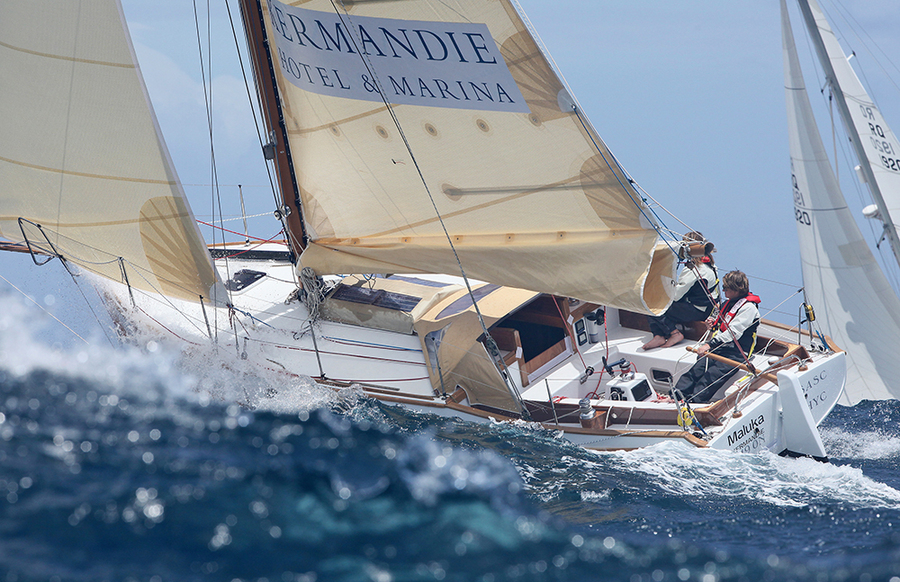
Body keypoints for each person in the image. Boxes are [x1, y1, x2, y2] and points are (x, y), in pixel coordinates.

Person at [673, 270, 761, 403]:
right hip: (720, 348)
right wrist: (711, 324)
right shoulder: (727, 304)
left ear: (736, 289)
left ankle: (693, 403)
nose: (724, 291)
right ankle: (673, 397)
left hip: (736, 353)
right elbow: (718, 324)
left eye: (726, 288)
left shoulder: (749, 308)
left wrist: (709, 345)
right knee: (695, 371)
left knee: (710, 378)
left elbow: (733, 332)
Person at [642, 232, 719, 350]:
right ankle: (659, 336)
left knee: (652, 303)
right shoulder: (711, 266)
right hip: (707, 309)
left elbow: (676, 296)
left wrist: (660, 288)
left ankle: (673, 334)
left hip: (697, 310)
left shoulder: (694, 269)